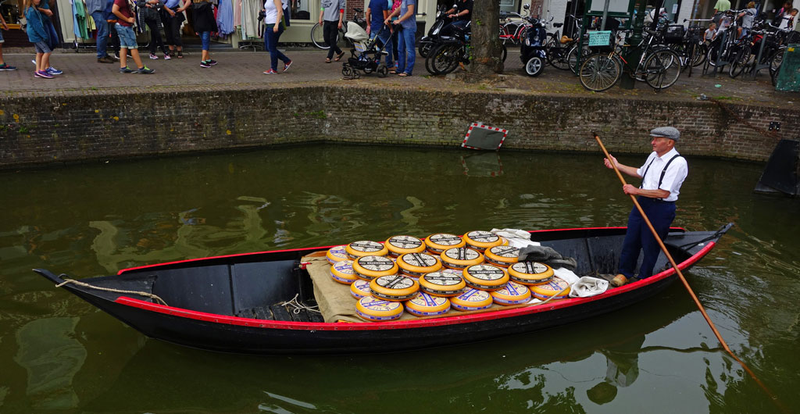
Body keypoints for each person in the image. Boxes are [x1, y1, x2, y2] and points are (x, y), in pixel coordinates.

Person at [603, 127, 688, 287]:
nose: (652, 142)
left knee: (651, 245)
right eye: (653, 138)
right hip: (642, 203)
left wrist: (636, 190)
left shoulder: (678, 163)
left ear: (669, 142)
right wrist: (617, 165)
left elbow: (663, 193)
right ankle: (624, 273)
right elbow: (641, 172)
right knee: (631, 239)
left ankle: (644, 278)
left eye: (657, 139)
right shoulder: (653, 156)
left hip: (661, 209)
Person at [113, 0, 155, 73]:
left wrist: (130, 14)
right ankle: (141, 67)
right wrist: (127, 19)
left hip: (121, 25)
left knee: (123, 46)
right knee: (133, 46)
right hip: (125, 26)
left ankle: (123, 66)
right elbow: (114, 10)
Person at [24, 0, 54, 78]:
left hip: (33, 34)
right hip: (36, 35)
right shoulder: (32, 11)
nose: (38, 0)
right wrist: (44, 35)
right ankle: (42, 70)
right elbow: (37, 25)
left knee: (39, 52)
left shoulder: (32, 9)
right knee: (47, 51)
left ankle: (37, 71)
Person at [385, 0, 415, 76]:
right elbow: (399, 8)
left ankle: (408, 71)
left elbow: (410, 12)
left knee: (410, 49)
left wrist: (399, 20)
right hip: (402, 27)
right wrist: (390, 16)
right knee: (400, 49)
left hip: (409, 27)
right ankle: (400, 69)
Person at [262, 0, 292, 74]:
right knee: (268, 47)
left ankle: (273, 69)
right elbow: (271, 9)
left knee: (271, 48)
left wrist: (276, 24)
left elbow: (280, 11)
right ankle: (286, 61)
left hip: (273, 25)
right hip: (268, 24)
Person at [366, 0, 392, 70]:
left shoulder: (372, 1)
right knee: (388, 45)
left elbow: (367, 13)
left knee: (371, 45)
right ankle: (389, 64)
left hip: (373, 26)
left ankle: (367, 59)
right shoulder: (384, 1)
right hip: (381, 27)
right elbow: (385, 17)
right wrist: (390, 28)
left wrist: (368, 24)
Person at [192, 0, 217, 68]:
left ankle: (208, 59)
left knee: (204, 42)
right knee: (205, 44)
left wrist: (195, 28)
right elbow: (211, 18)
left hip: (198, 27)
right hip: (206, 26)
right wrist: (215, 29)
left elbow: (194, 18)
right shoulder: (206, 5)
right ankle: (203, 61)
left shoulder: (194, 6)